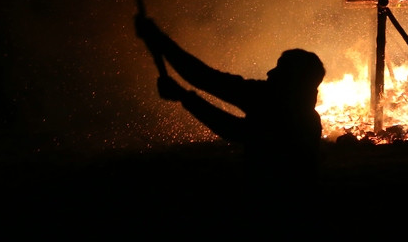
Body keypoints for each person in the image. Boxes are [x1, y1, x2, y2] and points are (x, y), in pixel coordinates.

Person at [134, 15, 326, 180]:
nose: (270, 72)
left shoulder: (281, 109)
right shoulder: (300, 113)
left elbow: (233, 128)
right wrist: (159, 39)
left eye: (280, 68)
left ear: (292, 79)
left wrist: (184, 96)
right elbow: (204, 78)